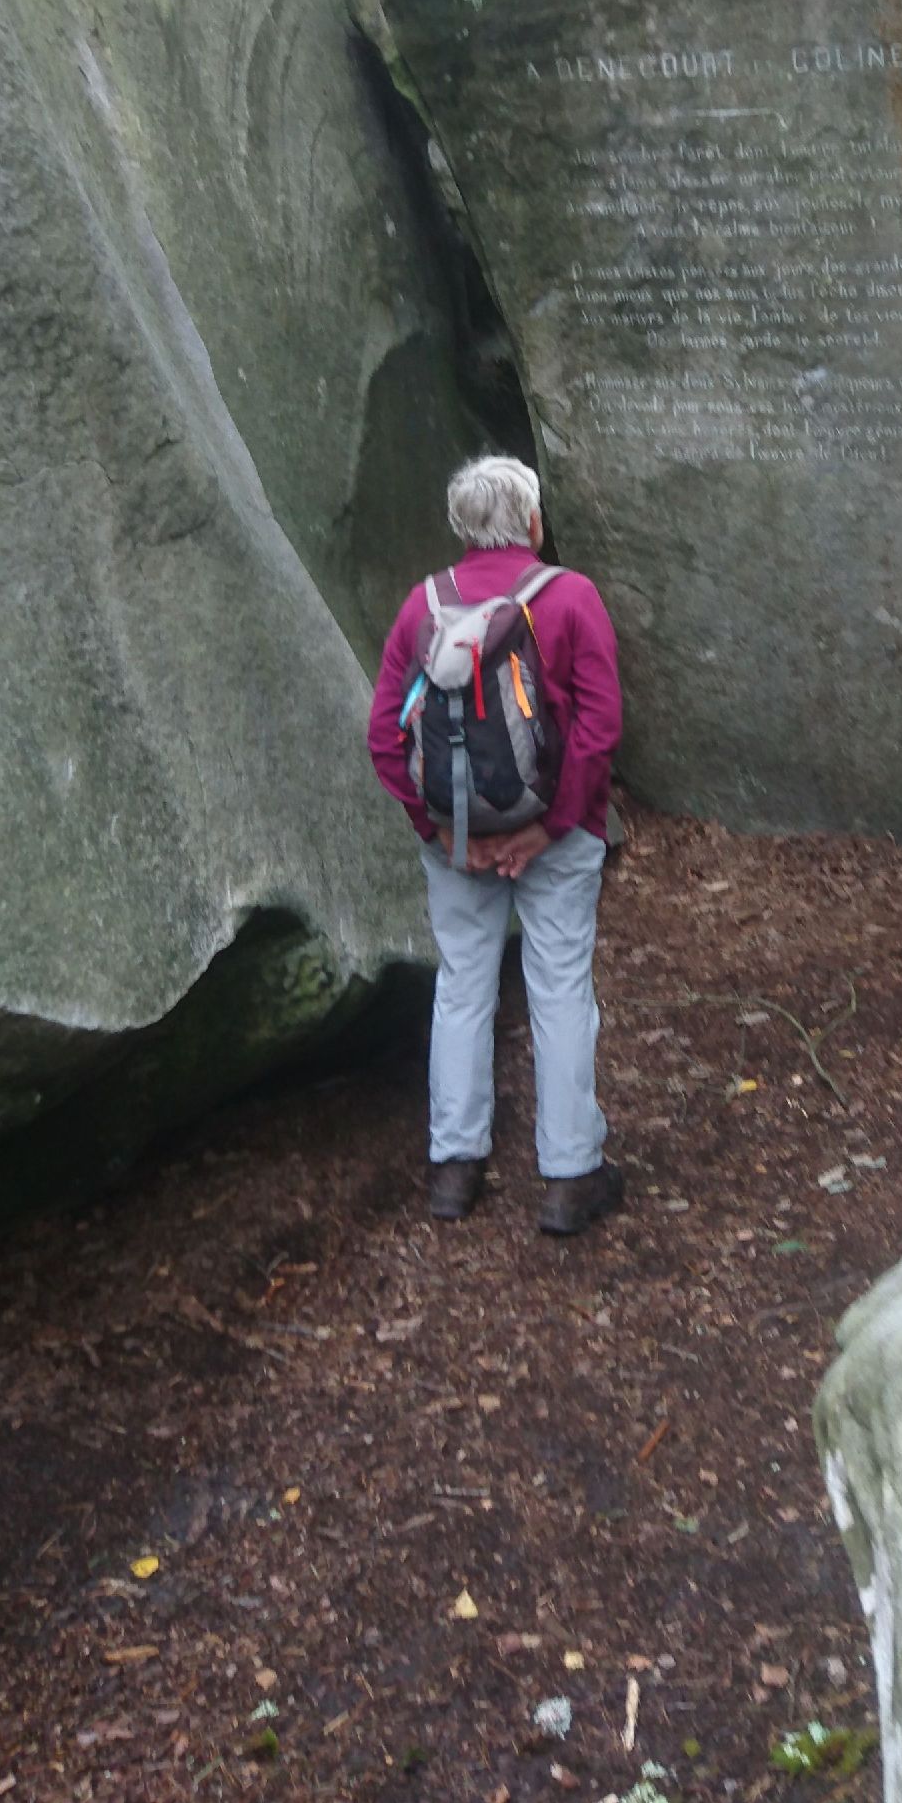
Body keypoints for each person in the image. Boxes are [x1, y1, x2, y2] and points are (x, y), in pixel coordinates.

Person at [368, 454, 625, 1236]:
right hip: (558, 836)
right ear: (534, 523)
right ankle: (570, 1175)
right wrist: (549, 826)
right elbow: (599, 726)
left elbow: (385, 736)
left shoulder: (423, 606)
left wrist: (442, 829)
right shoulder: (571, 597)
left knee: (462, 985)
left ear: (461, 526)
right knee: (560, 988)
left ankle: (454, 1168)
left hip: (460, 839)